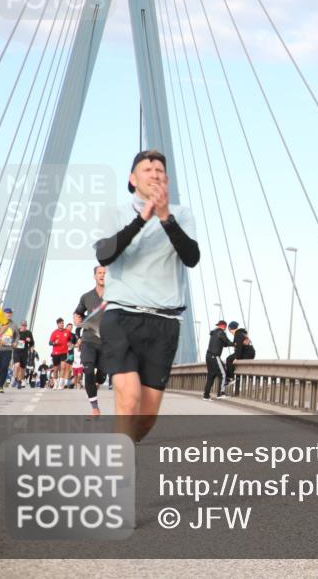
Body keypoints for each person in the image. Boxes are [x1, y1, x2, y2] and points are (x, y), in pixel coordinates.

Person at [95, 150, 199, 441]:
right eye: (147, 169)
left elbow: (191, 258)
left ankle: (120, 445)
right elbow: (105, 254)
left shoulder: (182, 214)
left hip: (164, 323)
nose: (154, 174)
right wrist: (142, 218)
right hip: (122, 315)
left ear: (166, 179)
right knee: (129, 400)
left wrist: (165, 217)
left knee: (146, 418)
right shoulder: (115, 214)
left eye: (159, 170)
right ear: (132, 179)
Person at [74, 265, 108, 414]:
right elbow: (78, 313)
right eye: (99, 273)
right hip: (88, 340)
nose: (102, 275)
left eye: (105, 273)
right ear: (95, 276)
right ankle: (95, 407)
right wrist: (76, 318)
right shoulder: (86, 297)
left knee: (101, 376)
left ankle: (100, 378)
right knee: (88, 370)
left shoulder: (115, 296)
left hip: (107, 342)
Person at [203, 320, 232, 400]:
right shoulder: (221, 332)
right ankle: (220, 393)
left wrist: (228, 344)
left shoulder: (214, 333)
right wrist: (235, 344)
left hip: (208, 356)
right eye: (225, 327)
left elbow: (224, 344)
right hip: (214, 356)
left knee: (211, 376)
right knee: (223, 374)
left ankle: (206, 395)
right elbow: (227, 342)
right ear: (224, 326)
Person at [0, 307, 17, 390]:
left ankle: (1, 385)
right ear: (4, 314)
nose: (9, 314)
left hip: (8, 349)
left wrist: (15, 342)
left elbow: (17, 336)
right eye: (7, 313)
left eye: (10, 313)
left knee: (4, 367)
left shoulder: (14, 325)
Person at [12, 320, 34, 388]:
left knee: (22, 368)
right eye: (22, 325)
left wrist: (30, 341)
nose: (23, 327)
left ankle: (19, 381)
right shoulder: (16, 332)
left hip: (24, 351)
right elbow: (12, 340)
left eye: (25, 325)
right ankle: (15, 377)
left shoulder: (28, 333)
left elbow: (32, 343)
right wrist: (14, 343)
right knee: (17, 365)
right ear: (20, 325)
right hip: (16, 351)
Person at [48, 317, 69, 389]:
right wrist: (54, 343)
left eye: (63, 323)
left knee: (63, 367)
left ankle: (61, 384)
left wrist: (70, 343)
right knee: (56, 369)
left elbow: (71, 339)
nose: (62, 324)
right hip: (56, 353)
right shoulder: (54, 332)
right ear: (57, 324)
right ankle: (55, 383)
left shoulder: (67, 332)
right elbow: (50, 343)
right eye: (60, 323)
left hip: (64, 352)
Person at [224, 321, 246, 386]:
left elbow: (239, 347)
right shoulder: (241, 333)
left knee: (229, 359)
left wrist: (237, 358)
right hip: (246, 352)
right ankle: (229, 378)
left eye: (230, 330)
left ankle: (231, 378)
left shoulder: (238, 334)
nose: (230, 332)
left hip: (245, 353)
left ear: (232, 329)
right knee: (229, 358)